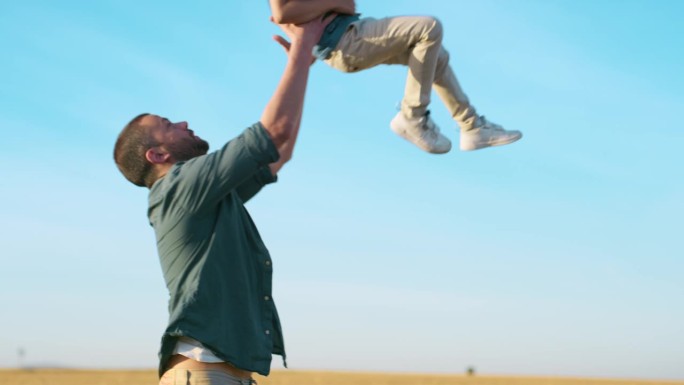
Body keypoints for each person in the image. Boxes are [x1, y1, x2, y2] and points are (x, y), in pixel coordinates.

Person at [113, 16, 331, 385]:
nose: (183, 123)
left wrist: (302, 63)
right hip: (204, 375)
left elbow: (281, 149)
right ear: (157, 156)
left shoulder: (204, 196)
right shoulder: (178, 187)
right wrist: (303, 45)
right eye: (169, 125)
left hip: (224, 376)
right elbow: (273, 132)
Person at [269, 0, 522, 154]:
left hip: (349, 37)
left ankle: (471, 127)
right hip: (347, 42)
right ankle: (412, 116)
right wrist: (336, 3)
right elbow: (280, 13)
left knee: (437, 57)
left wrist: (309, 47)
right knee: (429, 28)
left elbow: (292, 19)